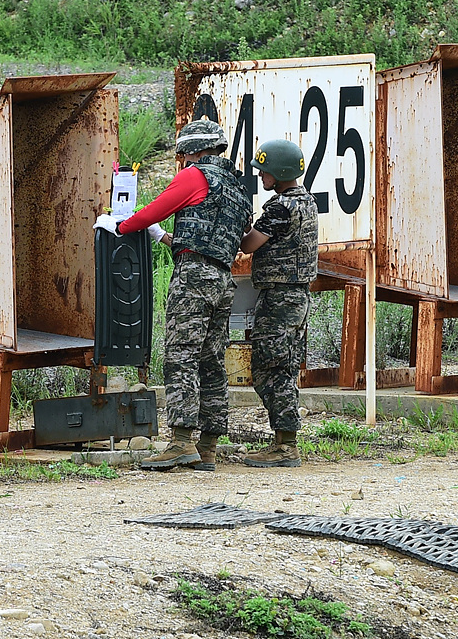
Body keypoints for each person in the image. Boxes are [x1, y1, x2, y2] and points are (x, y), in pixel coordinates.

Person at [94, 119, 252, 472]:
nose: (181, 161)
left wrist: (121, 225)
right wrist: (165, 237)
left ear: (193, 152)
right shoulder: (238, 188)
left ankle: (181, 441)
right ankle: (208, 446)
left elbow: (155, 209)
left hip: (193, 277)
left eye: (182, 154)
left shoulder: (195, 176)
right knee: (212, 362)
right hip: (223, 279)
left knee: (181, 356)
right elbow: (224, 237)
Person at [238, 139, 318, 468]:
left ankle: (286, 446)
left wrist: (239, 223)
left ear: (279, 172)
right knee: (282, 369)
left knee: (269, 371)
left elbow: (249, 245)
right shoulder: (306, 202)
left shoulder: (279, 209)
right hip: (296, 298)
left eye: (265, 172)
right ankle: (285, 442)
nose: (261, 176)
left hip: (280, 299)